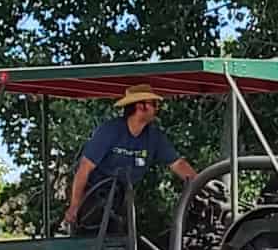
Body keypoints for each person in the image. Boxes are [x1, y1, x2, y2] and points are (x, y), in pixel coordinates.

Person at [67, 86, 200, 229]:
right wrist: (74, 206)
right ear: (140, 106)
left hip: (122, 198)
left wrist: (201, 183)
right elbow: (84, 168)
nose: (157, 109)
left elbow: (178, 164)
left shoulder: (154, 137)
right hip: (94, 197)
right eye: (154, 104)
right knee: (97, 238)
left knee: (126, 238)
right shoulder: (110, 131)